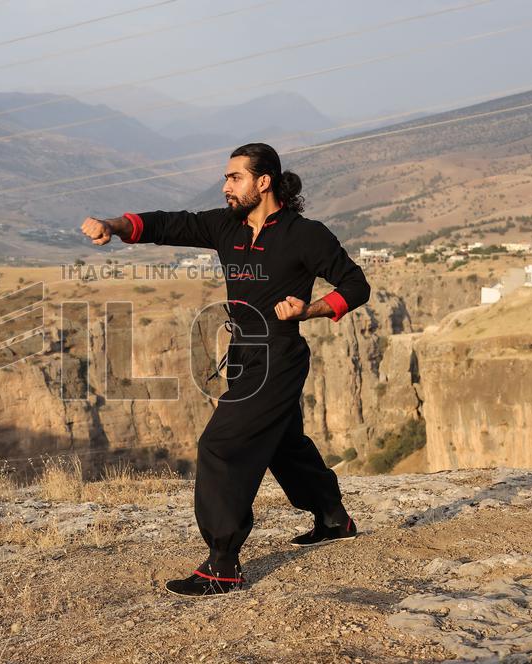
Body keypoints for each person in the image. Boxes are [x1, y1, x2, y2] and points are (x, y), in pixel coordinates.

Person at [79, 143, 371, 596]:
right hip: (242, 352)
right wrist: (114, 226)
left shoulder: (305, 234)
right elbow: (167, 223)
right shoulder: (225, 226)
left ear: (264, 181)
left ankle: (222, 564)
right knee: (283, 443)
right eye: (226, 178)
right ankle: (333, 517)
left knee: (220, 445)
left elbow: (356, 284)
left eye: (234, 177)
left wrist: (309, 309)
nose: (226, 186)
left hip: (279, 354)